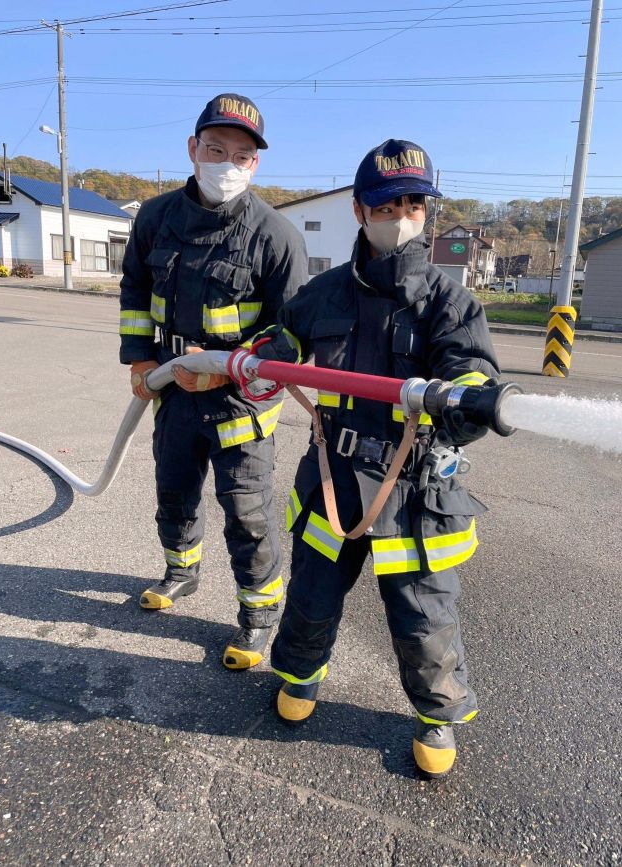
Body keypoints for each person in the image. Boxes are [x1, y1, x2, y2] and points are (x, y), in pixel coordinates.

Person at [255, 138, 500, 778]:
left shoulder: (451, 303)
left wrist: (467, 396)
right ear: (362, 212)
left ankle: (435, 715)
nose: (404, 215)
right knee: (311, 594)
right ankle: (301, 677)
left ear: (428, 213)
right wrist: (272, 346)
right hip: (333, 479)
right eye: (389, 203)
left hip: (413, 488)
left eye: (415, 202)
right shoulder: (327, 291)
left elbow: (470, 367)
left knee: (425, 615)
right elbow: (286, 332)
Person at [119, 93, 308, 671]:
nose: (228, 162)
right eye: (216, 148)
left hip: (239, 403)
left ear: (256, 164)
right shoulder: (155, 218)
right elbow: (133, 292)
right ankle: (181, 571)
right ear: (193, 149)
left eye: (243, 155)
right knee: (173, 491)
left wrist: (223, 366)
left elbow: (291, 335)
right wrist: (138, 359)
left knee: (246, 511)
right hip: (172, 389)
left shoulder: (276, 235)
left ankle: (258, 615)